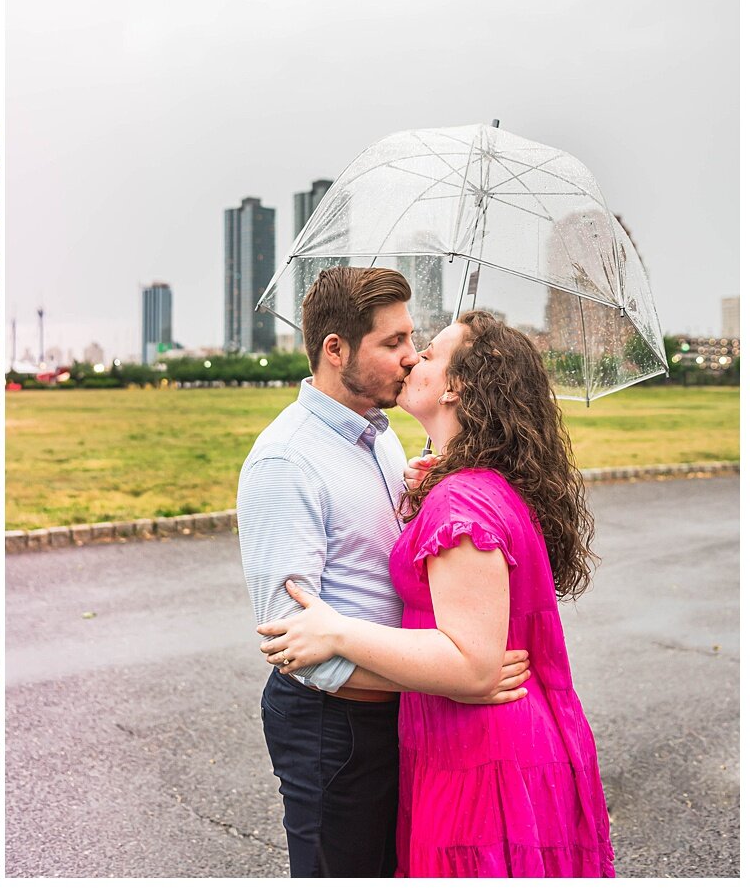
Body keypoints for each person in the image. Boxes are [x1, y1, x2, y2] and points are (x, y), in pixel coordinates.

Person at [257, 310, 615, 877]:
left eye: (427, 352)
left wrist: (336, 630)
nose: (411, 359)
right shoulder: (464, 486)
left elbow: (471, 666)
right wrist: (429, 489)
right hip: (479, 738)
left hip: (484, 755)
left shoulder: (460, 503)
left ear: (456, 386)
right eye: (400, 343)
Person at [237, 266, 530, 878]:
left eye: (412, 338)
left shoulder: (383, 439)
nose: (410, 356)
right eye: (391, 342)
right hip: (335, 731)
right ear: (335, 349)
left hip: (403, 716)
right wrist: (452, 678)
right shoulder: (284, 461)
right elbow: (294, 641)